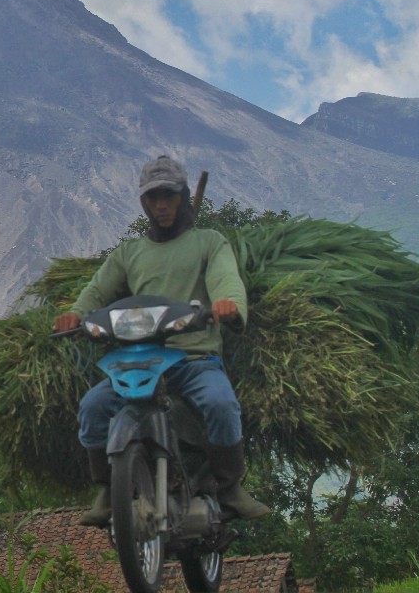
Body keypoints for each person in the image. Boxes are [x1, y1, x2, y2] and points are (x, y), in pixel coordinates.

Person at [53, 155, 270, 526]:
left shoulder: (208, 242)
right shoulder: (129, 253)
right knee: (92, 408)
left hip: (193, 358)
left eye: (169, 196)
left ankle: (230, 487)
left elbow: (225, 279)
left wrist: (228, 305)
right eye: (153, 198)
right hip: (138, 359)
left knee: (220, 404)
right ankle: (108, 489)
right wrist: (76, 314)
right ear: (144, 203)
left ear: (183, 197)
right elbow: (96, 291)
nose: (161, 205)